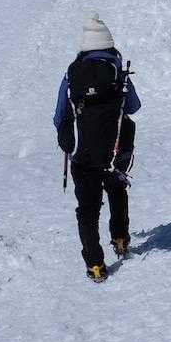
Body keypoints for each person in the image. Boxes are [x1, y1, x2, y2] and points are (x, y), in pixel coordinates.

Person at [53, 14, 142, 282]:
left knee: (87, 209)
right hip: (113, 152)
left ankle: (95, 265)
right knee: (117, 191)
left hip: (82, 155)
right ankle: (120, 238)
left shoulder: (72, 74)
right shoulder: (117, 71)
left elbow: (59, 116)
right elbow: (134, 106)